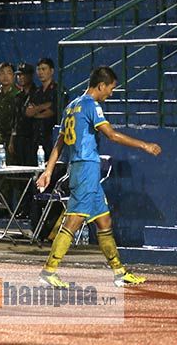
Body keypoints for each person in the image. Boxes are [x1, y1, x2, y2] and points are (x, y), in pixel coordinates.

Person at [37, 66, 162, 288]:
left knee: (104, 221)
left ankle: (119, 272)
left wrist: (48, 170)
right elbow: (111, 134)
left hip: (82, 169)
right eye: (111, 89)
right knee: (74, 221)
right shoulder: (92, 106)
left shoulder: (71, 106)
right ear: (101, 85)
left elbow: (59, 142)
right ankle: (49, 271)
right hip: (86, 169)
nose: (110, 94)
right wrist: (144, 145)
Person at [9, 62, 37, 219]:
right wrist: (12, 141)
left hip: (32, 139)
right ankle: (24, 207)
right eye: (18, 75)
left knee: (32, 176)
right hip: (20, 139)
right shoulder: (18, 97)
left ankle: (32, 209)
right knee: (20, 176)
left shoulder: (36, 94)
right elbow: (15, 121)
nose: (20, 78)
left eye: (23, 75)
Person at [0, 62, 19, 213]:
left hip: (12, 140)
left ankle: (19, 209)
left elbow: (17, 120)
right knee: (0, 176)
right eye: (2, 73)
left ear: (14, 76)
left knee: (14, 175)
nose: (5, 76)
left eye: (9, 72)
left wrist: (12, 141)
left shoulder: (17, 94)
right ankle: (2, 209)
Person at [26, 58, 59, 162]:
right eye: (38, 69)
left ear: (52, 71)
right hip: (36, 137)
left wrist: (37, 110)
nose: (40, 72)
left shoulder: (58, 90)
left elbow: (53, 111)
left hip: (51, 136)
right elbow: (28, 112)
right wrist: (43, 106)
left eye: (43, 69)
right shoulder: (36, 92)